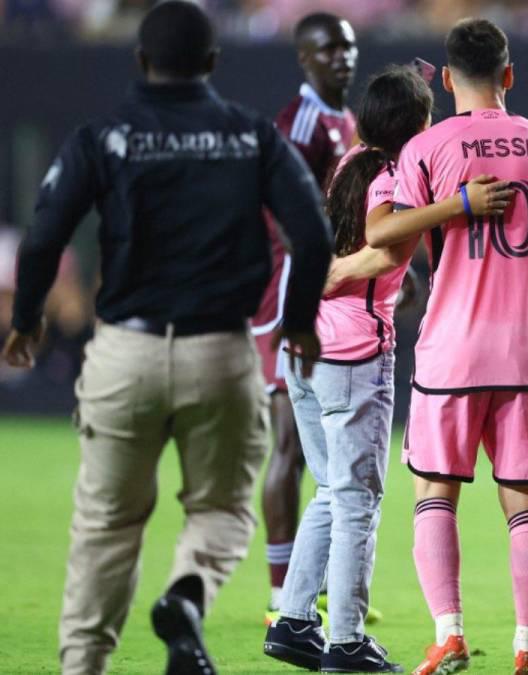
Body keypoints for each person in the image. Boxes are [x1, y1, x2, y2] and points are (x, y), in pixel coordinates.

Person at [1, 3, 333, 674]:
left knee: (106, 524)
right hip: (220, 352)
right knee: (221, 510)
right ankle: (186, 595)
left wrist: (27, 317)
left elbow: (43, 236)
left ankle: (82, 665)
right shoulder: (250, 136)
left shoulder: (104, 136)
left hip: (126, 350)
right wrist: (298, 322)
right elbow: (313, 233)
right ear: (212, 62)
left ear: (140, 61)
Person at [262, 64, 511, 673]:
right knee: (357, 501)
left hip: (305, 346)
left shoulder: (353, 159)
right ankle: (346, 639)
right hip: (351, 354)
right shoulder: (395, 174)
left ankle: (293, 620)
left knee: (330, 491)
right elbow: (383, 246)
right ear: (416, 125)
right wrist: (461, 203)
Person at [366, 19, 528, 675]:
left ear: (445, 78)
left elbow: (389, 236)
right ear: (509, 74)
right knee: (527, 498)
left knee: (435, 490)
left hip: (452, 350)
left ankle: (450, 635)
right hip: (527, 349)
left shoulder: (425, 149)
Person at [253, 11, 360, 627]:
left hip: (323, 291)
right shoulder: (298, 124)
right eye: (328, 49)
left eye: (347, 46)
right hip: (287, 297)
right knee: (291, 445)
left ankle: (304, 590)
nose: (341, 57)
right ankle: (281, 596)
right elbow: (290, 223)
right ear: (304, 58)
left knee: (321, 450)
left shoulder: (343, 120)